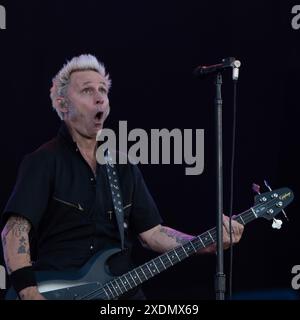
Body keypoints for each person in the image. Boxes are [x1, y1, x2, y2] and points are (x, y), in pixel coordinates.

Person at [0, 54, 244, 300]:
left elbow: (153, 234)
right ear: (63, 104)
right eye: (87, 91)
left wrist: (204, 243)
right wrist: (28, 291)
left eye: (103, 91)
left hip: (120, 293)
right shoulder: (42, 161)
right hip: (56, 290)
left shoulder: (122, 165)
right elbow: (14, 231)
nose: (99, 98)